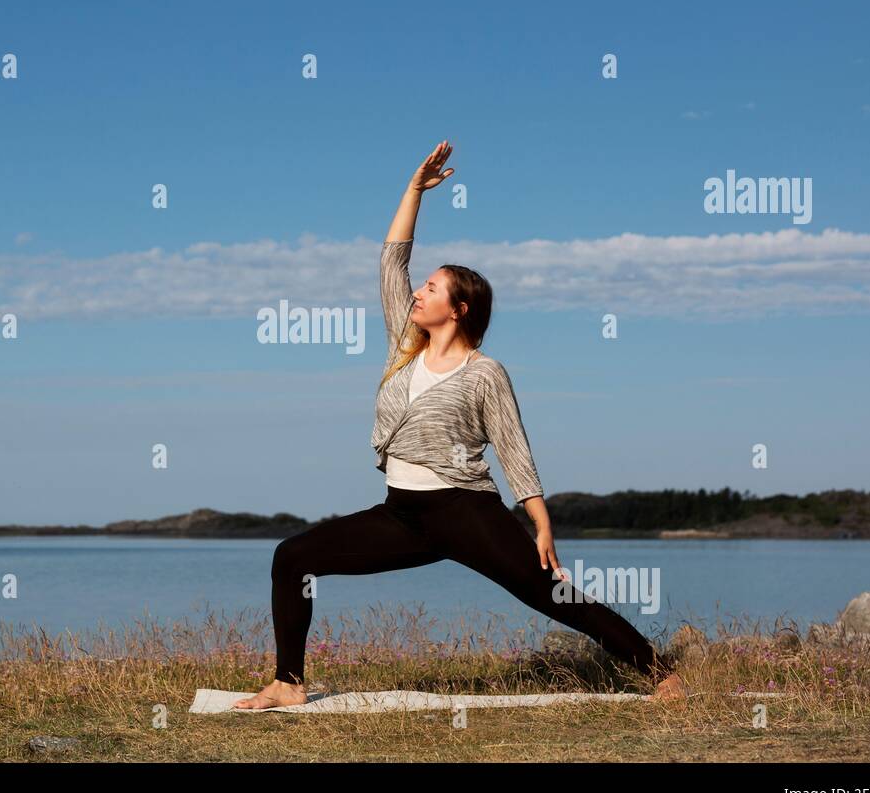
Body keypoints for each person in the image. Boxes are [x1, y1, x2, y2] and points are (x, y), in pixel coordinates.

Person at [235, 140, 687, 709]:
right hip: (402, 514)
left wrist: (541, 523)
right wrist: (414, 190)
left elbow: (514, 449)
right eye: (421, 287)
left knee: (552, 596)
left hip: (466, 511)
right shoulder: (405, 345)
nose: (418, 293)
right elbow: (390, 260)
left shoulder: (485, 374)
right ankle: (288, 684)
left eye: (431, 289)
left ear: (459, 308)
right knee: (292, 556)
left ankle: (660, 670)